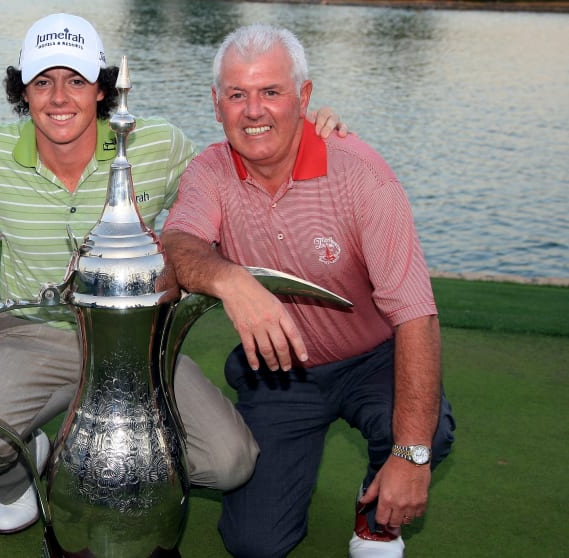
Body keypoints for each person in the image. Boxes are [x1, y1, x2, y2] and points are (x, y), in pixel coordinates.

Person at [0, 13, 348, 535]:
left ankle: (91, 462)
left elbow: (242, 156)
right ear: (24, 92)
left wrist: (307, 125)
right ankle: (26, 478)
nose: (59, 98)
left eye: (76, 81)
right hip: (31, 335)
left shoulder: (158, 145)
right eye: (43, 82)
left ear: (101, 88)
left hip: (135, 341)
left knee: (230, 462)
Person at [161, 24, 455, 557]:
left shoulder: (362, 174)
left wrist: (411, 457)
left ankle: (376, 523)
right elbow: (178, 244)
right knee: (254, 544)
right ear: (216, 102)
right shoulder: (208, 170)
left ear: (304, 96)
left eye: (271, 92)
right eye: (237, 94)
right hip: (281, 369)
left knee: (423, 436)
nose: (253, 111)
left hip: (373, 357)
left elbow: (416, 315)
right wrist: (230, 278)